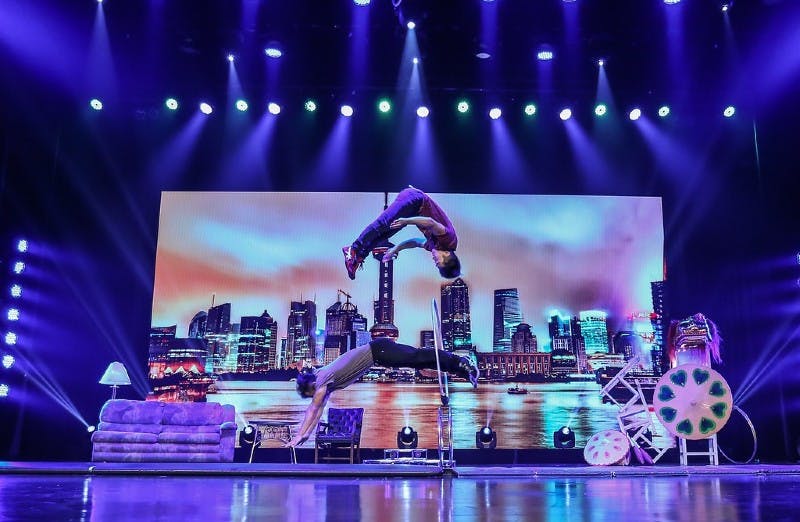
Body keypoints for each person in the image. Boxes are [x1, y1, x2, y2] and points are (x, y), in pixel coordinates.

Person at [284, 337, 478, 448]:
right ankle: (462, 369)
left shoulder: (321, 381)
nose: (314, 397)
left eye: (310, 394)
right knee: (419, 364)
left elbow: (313, 409)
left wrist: (299, 435)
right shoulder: (325, 383)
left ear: (311, 385)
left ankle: (460, 362)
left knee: (417, 357)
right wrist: (306, 434)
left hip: (379, 350)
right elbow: (318, 411)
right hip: (379, 353)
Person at [342, 187, 461, 280]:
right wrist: (406, 221)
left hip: (413, 210)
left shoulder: (435, 247)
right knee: (383, 223)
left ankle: (358, 257)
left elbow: (414, 242)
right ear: (447, 255)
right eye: (438, 263)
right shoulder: (449, 239)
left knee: (385, 234)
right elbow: (431, 223)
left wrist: (395, 249)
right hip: (416, 200)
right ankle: (353, 248)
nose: (434, 261)